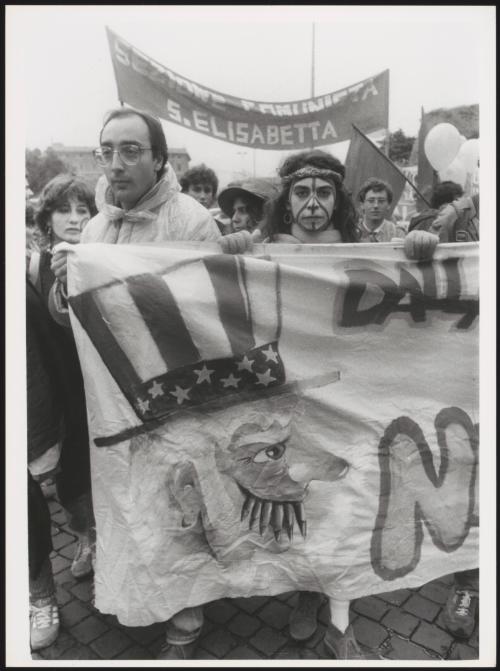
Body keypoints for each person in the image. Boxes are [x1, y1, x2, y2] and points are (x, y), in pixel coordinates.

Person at [50, 107, 254, 660]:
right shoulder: (93, 227)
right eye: (107, 150)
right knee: (127, 500)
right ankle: (137, 592)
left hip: (175, 396)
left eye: (132, 150)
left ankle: (186, 620)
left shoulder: (190, 221)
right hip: (113, 398)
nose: (117, 163)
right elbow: (76, 317)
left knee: (178, 505)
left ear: (159, 157)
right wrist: (62, 285)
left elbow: (219, 312)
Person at [267, 149, 363, 659]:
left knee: (346, 505)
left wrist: (420, 246)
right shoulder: (262, 250)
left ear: (337, 200)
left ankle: (341, 624)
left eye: (323, 192)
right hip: (291, 402)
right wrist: (234, 247)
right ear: (286, 204)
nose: (312, 203)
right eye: (301, 193)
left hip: (349, 398)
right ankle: (306, 593)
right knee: (304, 502)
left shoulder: (368, 250)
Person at [29, 175, 97, 582]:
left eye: (83, 210)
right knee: (71, 470)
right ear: (47, 217)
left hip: (102, 378)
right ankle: (84, 534)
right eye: (64, 210)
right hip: (62, 382)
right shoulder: (36, 266)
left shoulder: (104, 254)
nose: (74, 219)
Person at [356, 178, 406, 242]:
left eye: (381, 201)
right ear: (362, 205)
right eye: (371, 201)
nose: (376, 205)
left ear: (389, 205)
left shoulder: (397, 234)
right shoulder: (352, 232)